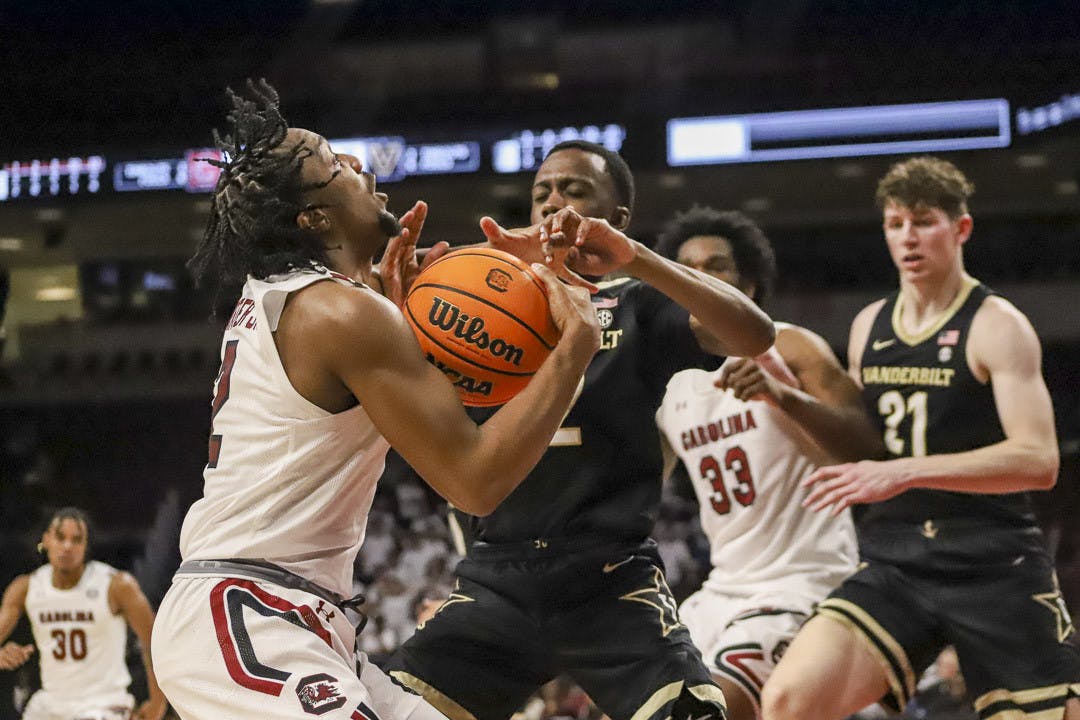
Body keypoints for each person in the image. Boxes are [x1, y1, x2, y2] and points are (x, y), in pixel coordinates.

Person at [150, 81, 601, 719]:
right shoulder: (340, 312)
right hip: (246, 612)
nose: (359, 165)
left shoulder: (304, 299)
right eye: (335, 164)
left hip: (293, 615)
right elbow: (476, 481)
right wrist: (575, 344)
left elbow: (452, 429)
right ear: (313, 219)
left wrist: (406, 321)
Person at [387, 141, 776, 720]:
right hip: (497, 578)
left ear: (615, 219)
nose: (552, 202)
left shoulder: (638, 303)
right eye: (542, 190)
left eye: (574, 190)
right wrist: (402, 308)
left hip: (610, 579)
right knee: (379, 709)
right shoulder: (480, 304)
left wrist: (636, 258)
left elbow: (754, 335)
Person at [761, 156, 1080, 720]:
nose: (908, 237)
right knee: (790, 699)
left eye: (924, 221)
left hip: (991, 557)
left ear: (961, 229)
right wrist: (784, 397)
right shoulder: (869, 326)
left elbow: (1039, 460)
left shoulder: (996, 324)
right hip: (898, 558)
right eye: (895, 223)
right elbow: (863, 449)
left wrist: (905, 470)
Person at [652, 207, 881, 720]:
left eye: (717, 267)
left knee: (713, 708)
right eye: (686, 268)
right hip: (721, 589)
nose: (699, 278)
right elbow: (636, 487)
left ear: (749, 285)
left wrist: (785, 398)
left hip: (807, 580)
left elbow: (870, 450)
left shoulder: (789, 344)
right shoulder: (669, 380)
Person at [0, 507, 167, 720]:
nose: (67, 546)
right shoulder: (26, 587)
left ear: (85, 546)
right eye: (60, 537)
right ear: (47, 539)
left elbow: (153, 641)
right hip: (51, 702)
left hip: (104, 702)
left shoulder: (116, 585)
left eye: (76, 540)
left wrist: (157, 702)